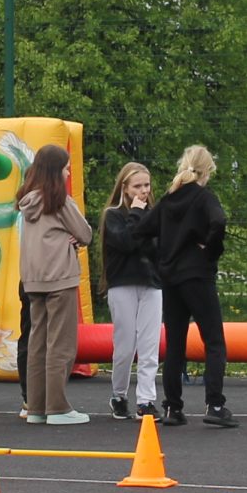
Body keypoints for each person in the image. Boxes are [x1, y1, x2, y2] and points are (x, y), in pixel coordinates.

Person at [156, 145, 236, 429]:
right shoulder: (204, 198)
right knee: (213, 341)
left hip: (170, 279)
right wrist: (210, 251)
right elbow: (220, 221)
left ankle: (172, 407)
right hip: (197, 277)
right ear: (207, 171)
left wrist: (160, 257)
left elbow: (144, 230)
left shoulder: (168, 199)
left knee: (175, 344)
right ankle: (215, 403)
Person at [16, 143, 94, 427]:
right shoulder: (60, 200)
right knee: (60, 344)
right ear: (55, 171)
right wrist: (71, 239)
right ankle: (58, 407)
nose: (68, 171)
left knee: (37, 342)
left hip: (33, 279)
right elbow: (85, 234)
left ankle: (36, 406)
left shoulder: (28, 200)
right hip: (60, 277)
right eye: (65, 167)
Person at [99, 163, 163, 422]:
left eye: (146, 185)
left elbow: (158, 249)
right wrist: (136, 214)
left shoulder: (155, 215)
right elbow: (126, 242)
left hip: (151, 284)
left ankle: (146, 400)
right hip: (122, 283)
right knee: (125, 344)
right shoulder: (113, 215)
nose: (144, 191)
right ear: (124, 188)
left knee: (150, 345)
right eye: (137, 186)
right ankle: (119, 394)